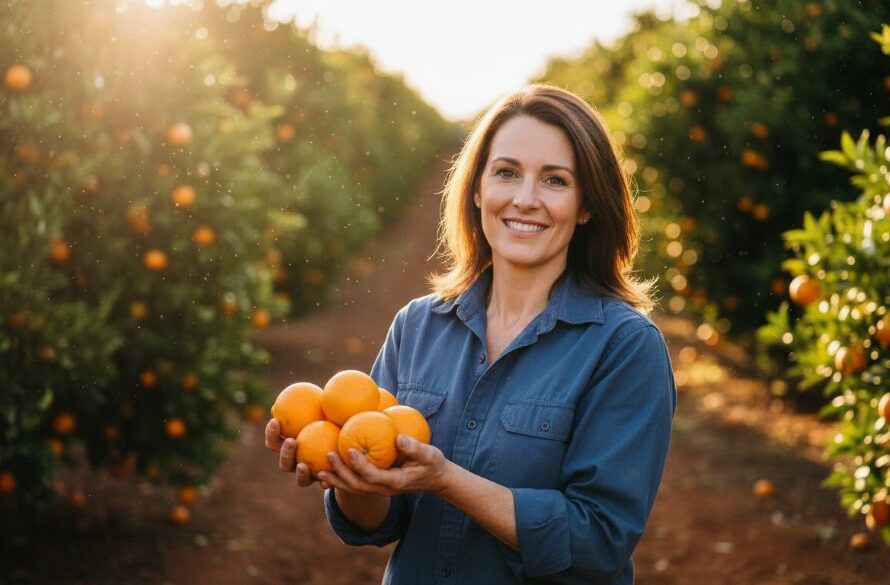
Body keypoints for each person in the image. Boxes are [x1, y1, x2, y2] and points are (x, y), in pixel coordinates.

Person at [265, 83, 676, 584]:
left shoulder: (624, 346)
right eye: (507, 173)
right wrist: (352, 477)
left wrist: (446, 480)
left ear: (587, 204)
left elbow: (598, 539)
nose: (525, 200)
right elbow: (380, 522)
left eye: (554, 180)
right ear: (477, 188)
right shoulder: (418, 326)